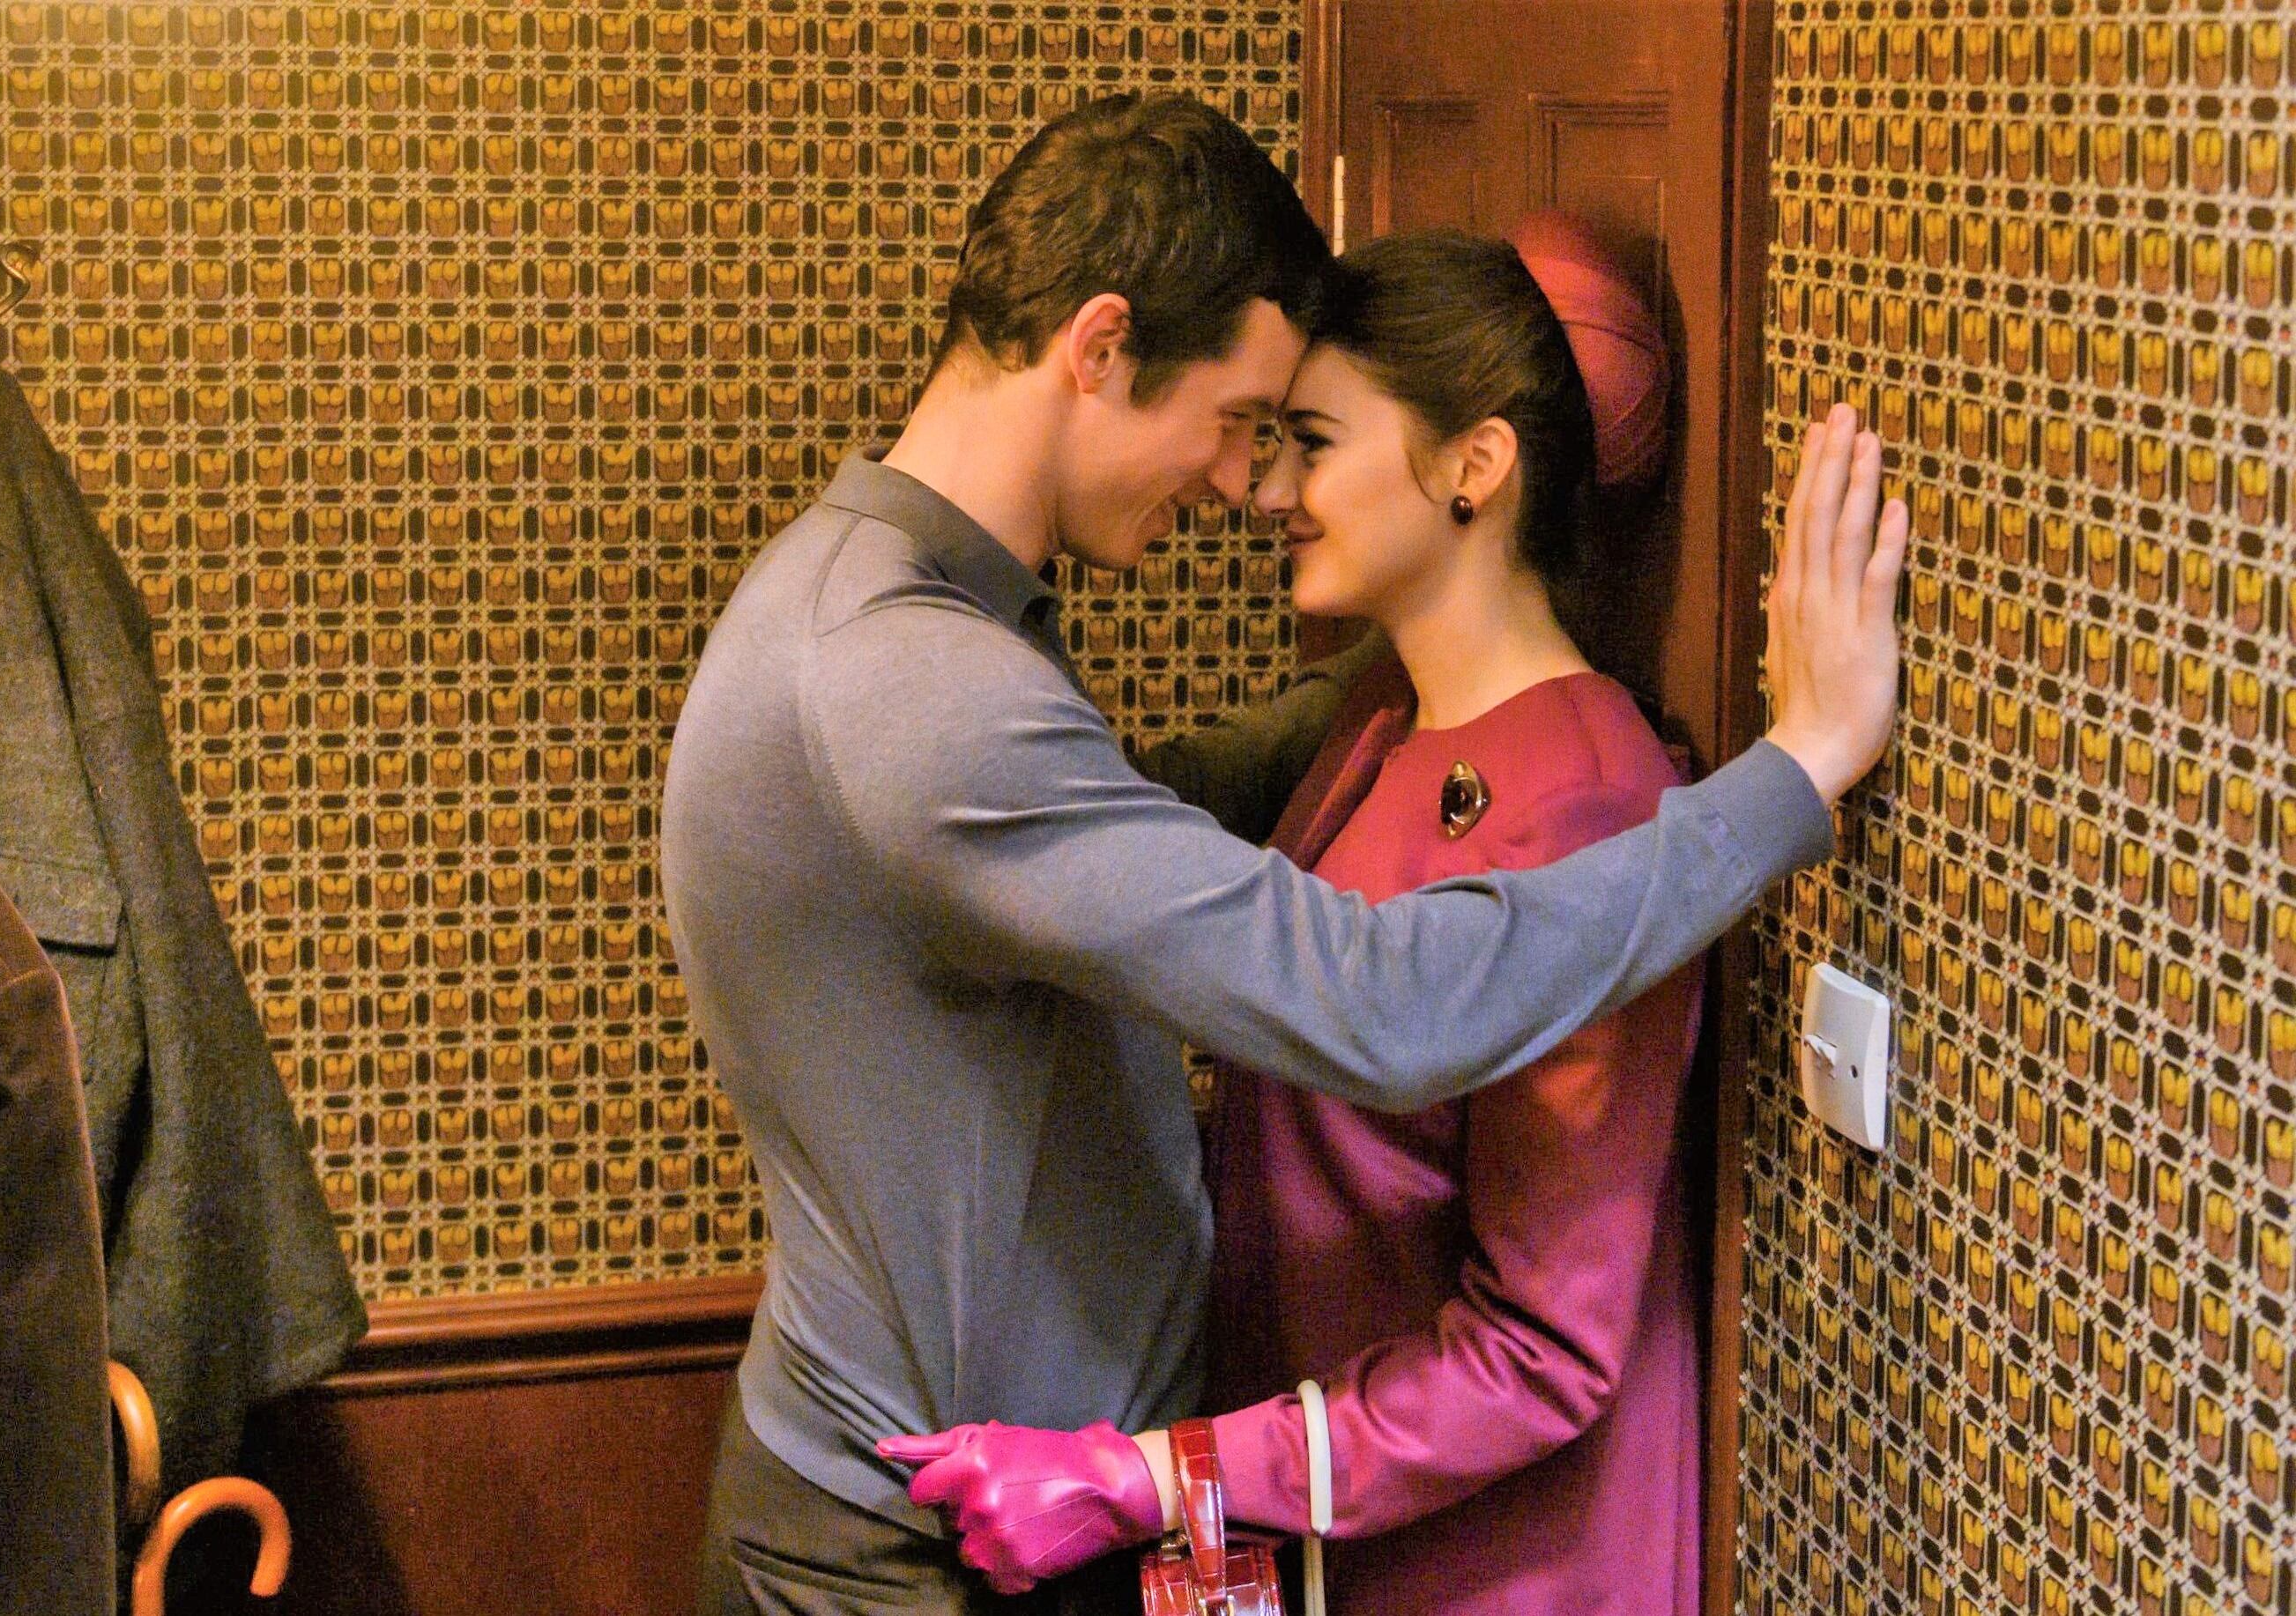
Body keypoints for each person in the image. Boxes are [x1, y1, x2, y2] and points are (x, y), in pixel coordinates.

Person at [661, 92, 1906, 1614]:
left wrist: (1451, 626)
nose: (1241, 483)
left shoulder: (874, 602)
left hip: (1053, 1506)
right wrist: (1793, 773)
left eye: (1296, 439)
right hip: (916, 1540)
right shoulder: (909, 684)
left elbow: (1148, 806)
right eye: (1246, 421)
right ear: (1100, 350)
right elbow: (1374, 994)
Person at [887, 219, 1773, 1612]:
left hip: (1487, 1568)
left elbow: (1539, 1353)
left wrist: (1152, 1477)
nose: (1268, 491)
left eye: (1312, 443)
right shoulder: (1377, 721)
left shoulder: (1586, 802)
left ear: (1475, 464)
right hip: (1316, 1525)